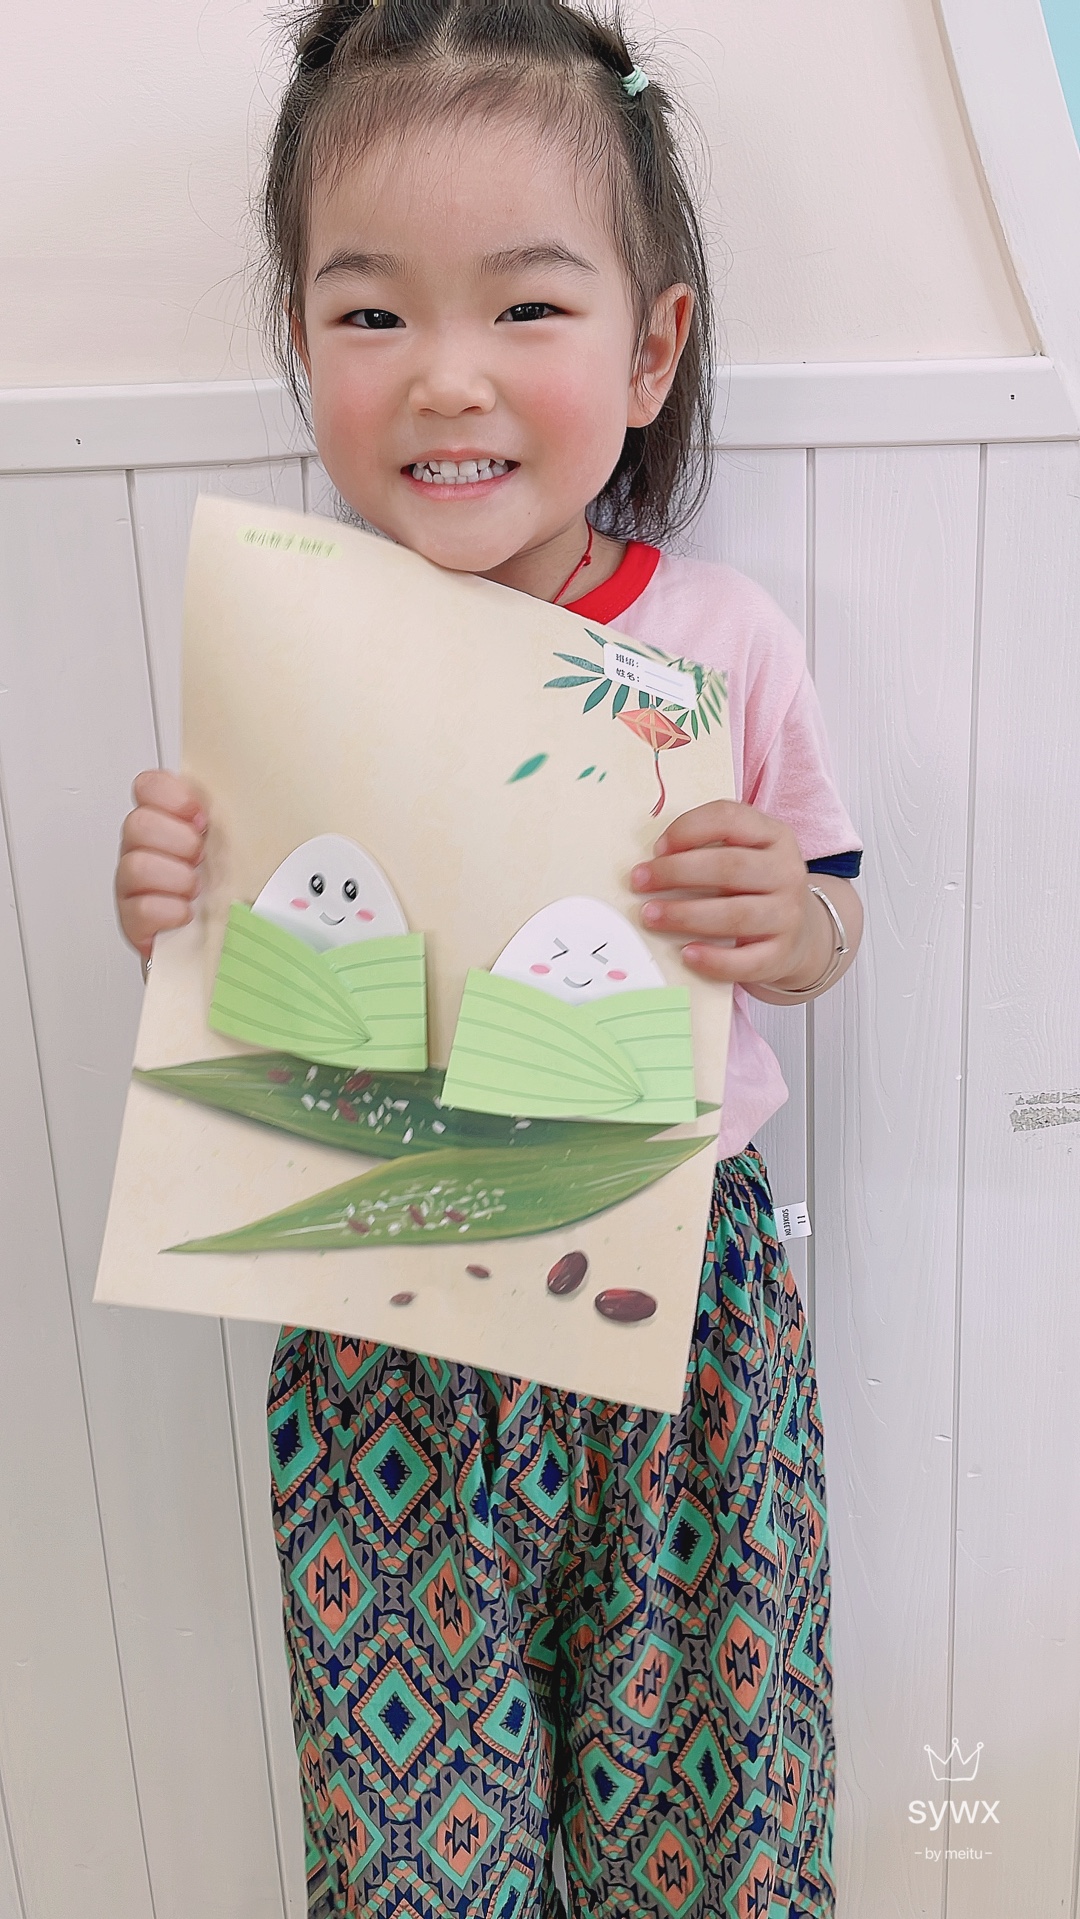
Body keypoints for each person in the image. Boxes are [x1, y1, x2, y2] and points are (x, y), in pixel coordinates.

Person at [115, 2, 862, 1912]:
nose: (447, 378)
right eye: (372, 313)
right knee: (412, 1847)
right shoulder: (287, 652)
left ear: (651, 347)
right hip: (386, 1331)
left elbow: (831, 918)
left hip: (683, 1307)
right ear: (305, 343)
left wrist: (794, 918)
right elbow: (264, 995)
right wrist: (175, 906)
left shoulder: (720, 642)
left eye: (526, 305)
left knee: (714, 1803)